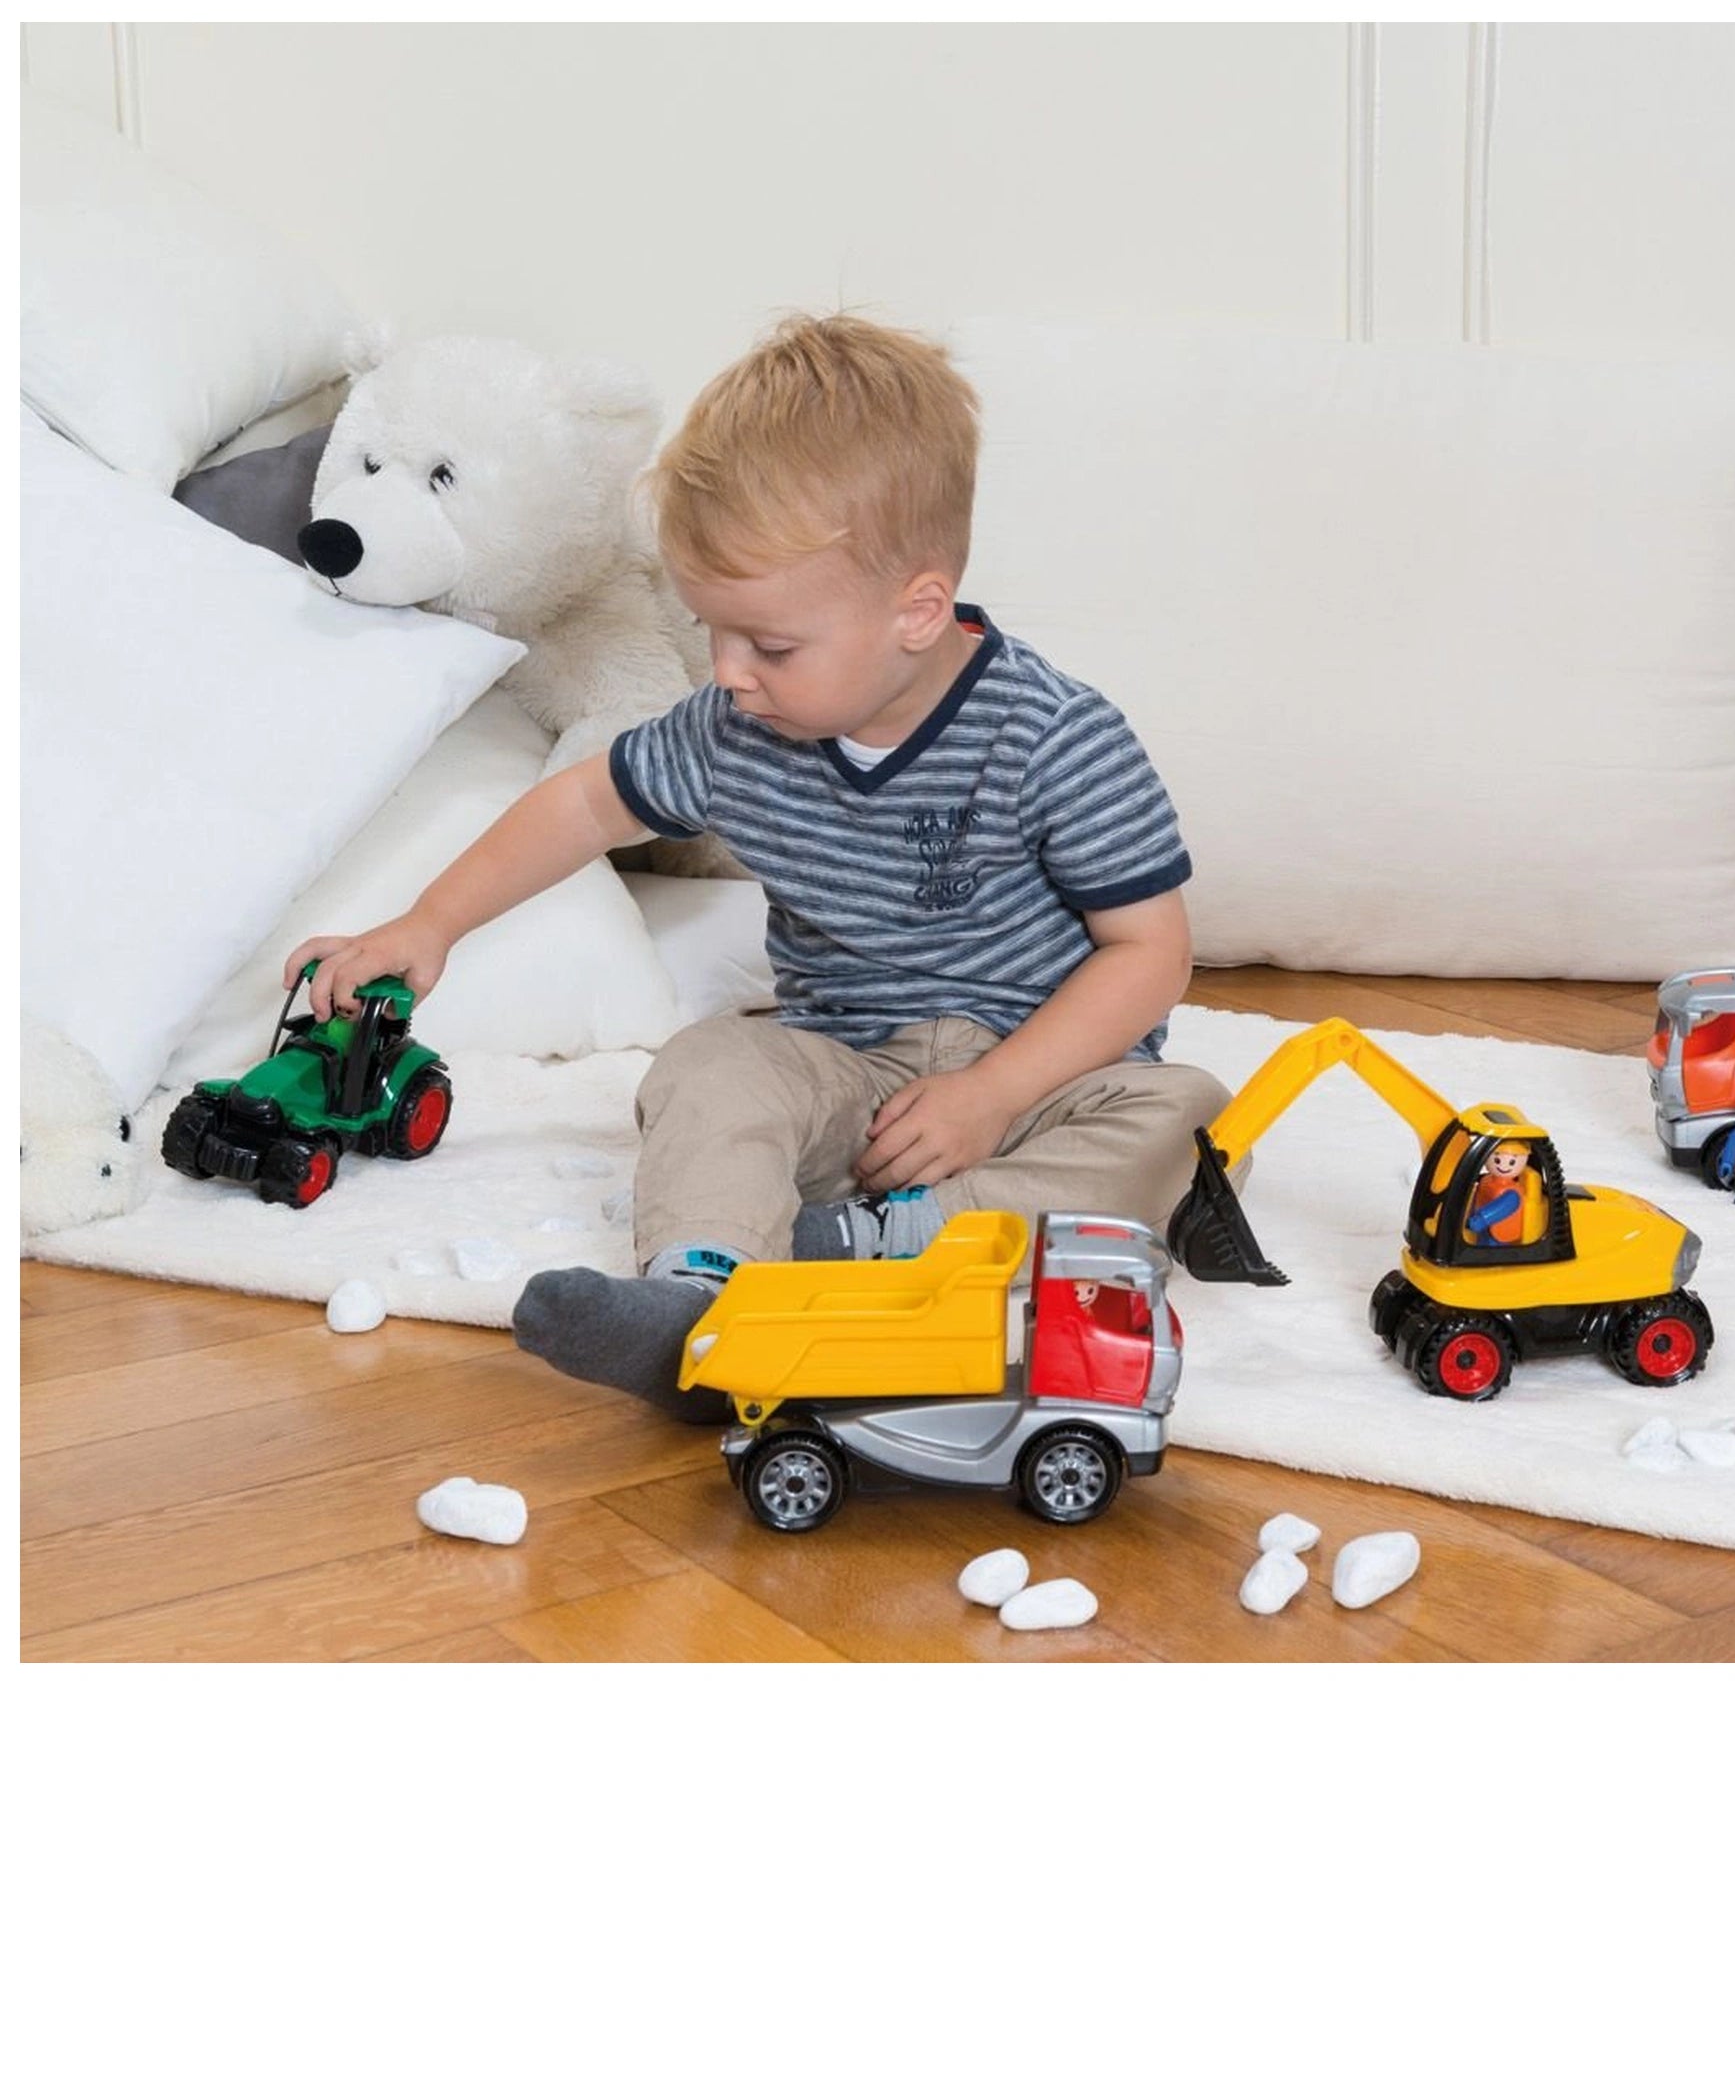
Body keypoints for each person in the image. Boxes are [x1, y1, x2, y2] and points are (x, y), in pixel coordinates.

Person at [286, 313, 1229, 1419]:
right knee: (707, 1066)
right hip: (844, 1072)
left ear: (917, 611)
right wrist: (429, 923)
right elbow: (583, 803)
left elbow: (1149, 952)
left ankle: (883, 1246)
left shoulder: (1057, 736)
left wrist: (993, 1094)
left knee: (1195, 1127)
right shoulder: (734, 729)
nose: (729, 672)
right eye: (712, 631)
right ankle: (702, 1295)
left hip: (1044, 1085)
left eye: (770, 646)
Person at [1463, 1140, 1533, 1244]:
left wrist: (1480, 1220)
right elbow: (1478, 1199)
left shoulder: (1512, 1194)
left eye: (1511, 1162)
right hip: (1483, 1230)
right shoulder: (1486, 1180)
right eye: (1497, 1160)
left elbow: (1499, 1209)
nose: (1503, 1166)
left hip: (1498, 1235)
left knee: (1488, 1249)